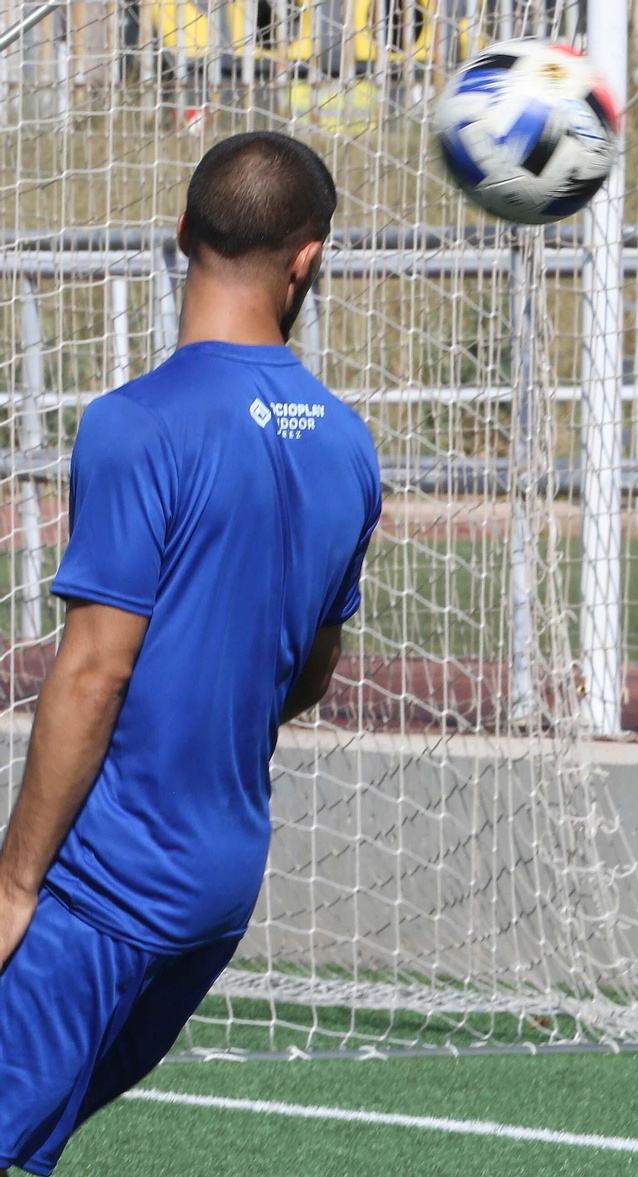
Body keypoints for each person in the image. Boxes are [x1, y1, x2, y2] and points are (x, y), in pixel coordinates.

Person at [0, 132, 381, 1175]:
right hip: (216, 888)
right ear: (307, 260)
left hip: (100, 884)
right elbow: (306, 672)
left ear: (181, 235)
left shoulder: (136, 424)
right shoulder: (348, 444)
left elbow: (93, 670)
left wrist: (16, 882)